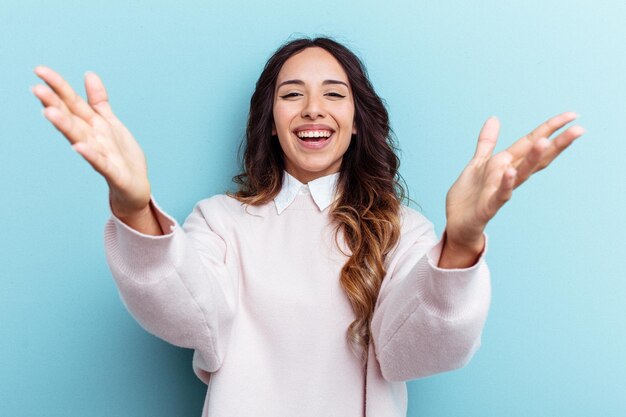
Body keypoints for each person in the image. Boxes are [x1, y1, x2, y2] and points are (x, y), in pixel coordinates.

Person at [31, 37, 584, 417]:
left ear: (356, 124)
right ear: (270, 124)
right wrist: (134, 207)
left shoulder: (403, 232)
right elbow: (191, 312)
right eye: (292, 94)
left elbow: (416, 351)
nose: (312, 109)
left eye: (334, 94)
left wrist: (460, 244)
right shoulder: (222, 221)